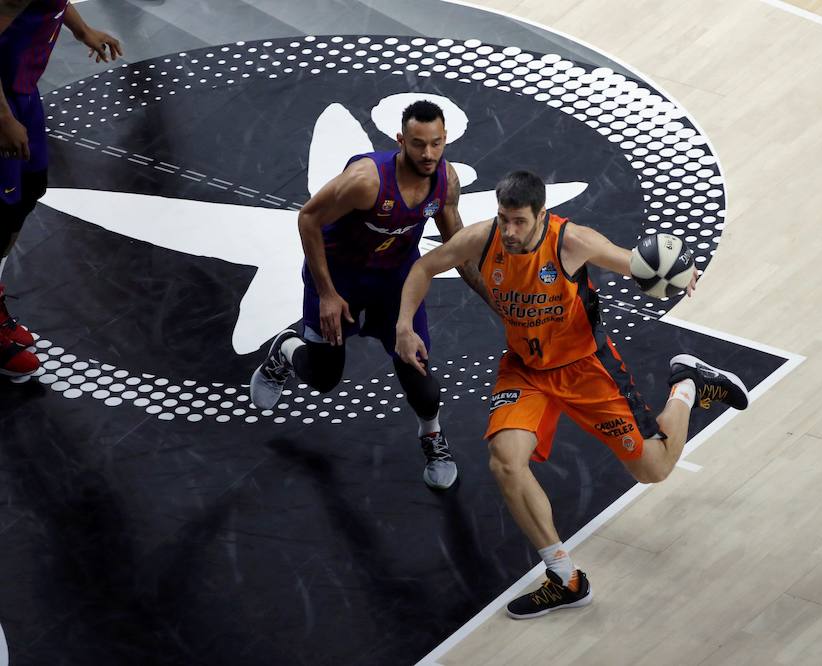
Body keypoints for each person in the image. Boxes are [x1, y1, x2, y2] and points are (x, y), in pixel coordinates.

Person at [395, 170, 749, 618]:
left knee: (653, 469)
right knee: (505, 461)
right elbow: (425, 267)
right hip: (525, 370)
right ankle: (565, 577)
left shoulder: (572, 242)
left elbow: (634, 262)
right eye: (504, 218)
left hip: (586, 370)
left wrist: (677, 272)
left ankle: (687, 384)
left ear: (542, 214)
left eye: (519, 221)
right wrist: (405, 325)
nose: (509, 231)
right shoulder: (482, 240)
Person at [250, 100, 494, 490]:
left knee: (420, 378)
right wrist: (327, 293)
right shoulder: (367, 181)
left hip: (396, 283)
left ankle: (431, 436)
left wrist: (502, 307)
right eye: (418, 144)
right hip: (337, 279)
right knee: (324, 377)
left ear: (445, 139)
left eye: (435, 144)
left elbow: (459, 252)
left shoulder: (445, 181)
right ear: (401, 140)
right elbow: (308, 219)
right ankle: (286, 350)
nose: (428, 154)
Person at [0, 0, 122, 379]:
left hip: (21, 94)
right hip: (3, 104)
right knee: (1, 211)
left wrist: (80, 29)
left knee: (28, 192)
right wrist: (3, 120)